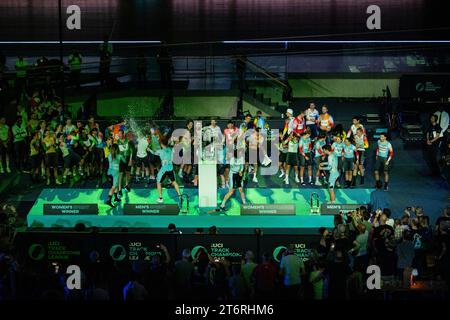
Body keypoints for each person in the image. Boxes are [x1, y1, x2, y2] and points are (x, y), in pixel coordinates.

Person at [148, 134, 182, 204]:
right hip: (171, 169)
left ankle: (160, 198)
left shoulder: (160, 151)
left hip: (164, 170)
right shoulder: (170, 149)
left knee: (158, 182)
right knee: (174, 182)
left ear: (161, 143)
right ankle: (180, 196)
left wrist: (148, 149)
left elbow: (153, 152)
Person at [105, 143, 123, 208]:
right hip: (115, 173)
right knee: (114, 186)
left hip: (109, 172)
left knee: (116, 185)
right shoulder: (119, 156)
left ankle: (115, 198)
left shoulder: (109, 155)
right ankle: (108, 200)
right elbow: (124, 161)